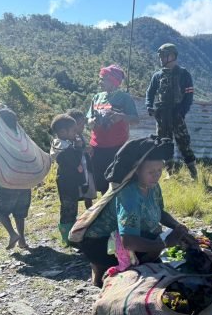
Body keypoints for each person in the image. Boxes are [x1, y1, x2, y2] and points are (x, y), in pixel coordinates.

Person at [71, 136, 195, 287]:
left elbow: (159, 212)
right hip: (99, 244)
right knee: (154, 248)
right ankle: (104, 267)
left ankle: (114, 267)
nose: (156, 175)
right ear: (137, 171)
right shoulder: (129, 194)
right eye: (151, 171)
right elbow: (128, 242)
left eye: (159, 170)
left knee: (158, 239)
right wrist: (164, 243)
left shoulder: (152, 186)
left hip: (121, 236)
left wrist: (177, 226)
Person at [145, 43, 198, 179]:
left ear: (173, 56)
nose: (161, 59)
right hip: (162, 115)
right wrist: (149, 106)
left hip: (177, 114)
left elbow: (189, 95)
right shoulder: (157, 75)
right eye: (160, 56)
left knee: (184, 143)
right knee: (164, 143)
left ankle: (193, 174)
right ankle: (170, 173)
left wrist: (182, 111)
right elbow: (150, 92)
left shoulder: (184, 74)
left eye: (164, 56)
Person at [87, 64, 139, 195]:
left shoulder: (125, 98)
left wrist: (122, 117)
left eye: (103, 79)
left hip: (116, 147)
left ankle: (115, 207)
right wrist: (92, 122)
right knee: (100, 181)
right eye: (100, 78)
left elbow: (135, 120)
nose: (100, 82)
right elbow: (88, 119)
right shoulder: (97, 97)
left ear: (113, 81)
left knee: (116, 180)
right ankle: (105, 208)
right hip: (96, 147)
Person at [49, 114, 88, 246]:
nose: (75, 133)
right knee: (68, 209)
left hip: (69, 181)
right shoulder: (62, 147)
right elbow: (74, 161)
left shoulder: (65, 144)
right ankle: (67, 238)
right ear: (62, 132)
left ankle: (70, 235)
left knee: (71, 207)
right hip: (67, 182)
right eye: (73, 131)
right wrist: (77, 148)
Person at [66, 108, 95, 209]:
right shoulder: (68, 139)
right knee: (77, 193)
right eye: (80, 124)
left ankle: (90, 213)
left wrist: (87, 150)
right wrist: (83, 150)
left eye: (83, 123)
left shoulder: (81, 136)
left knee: (88, 193)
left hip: (86, 169)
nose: (83, 126)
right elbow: (71, 154)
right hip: (78, 172)